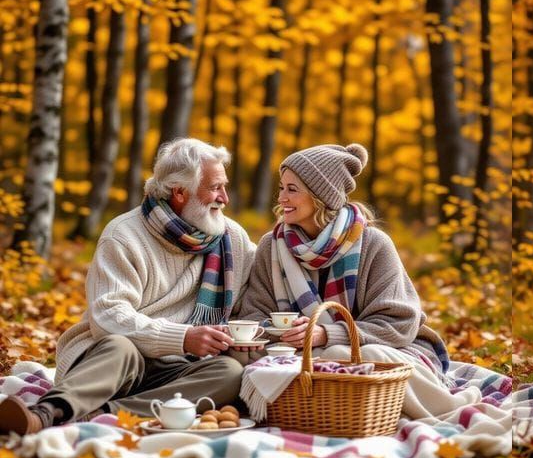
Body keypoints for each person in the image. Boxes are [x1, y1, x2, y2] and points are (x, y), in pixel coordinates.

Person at [0, 138, 257, 435]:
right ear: (180, 192)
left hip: (177, 369)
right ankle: (43, 414)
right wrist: (183, 337)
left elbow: (260, 285)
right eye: (215, 188)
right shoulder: (124, 235)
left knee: (230, 373)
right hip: (111, 358)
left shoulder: (231, 239)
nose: (224, 197)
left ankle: (105, 412)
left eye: (224, 186)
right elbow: (108, 317)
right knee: (121, 347)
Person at [233, 144, 481, 421]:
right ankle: (345, 415)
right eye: (281, 188)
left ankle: (448, 409)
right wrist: (284, 333)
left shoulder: (374, 244)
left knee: (360, 354)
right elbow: (254, 313)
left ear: (320, 196)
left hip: (389, 346)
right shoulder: (272, 246)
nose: (281, 198)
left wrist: (326, 334)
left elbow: (399, 323)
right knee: (318, 358)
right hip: (302, 354)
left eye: (292, 189)